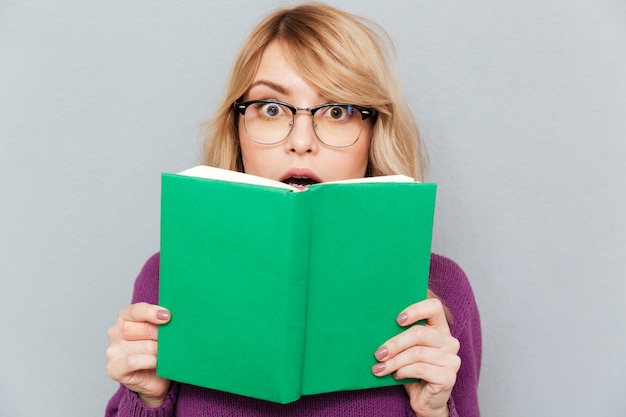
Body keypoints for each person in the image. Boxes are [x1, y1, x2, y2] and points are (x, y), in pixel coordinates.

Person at [105, 3, 481, 417]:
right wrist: (147, 398)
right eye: (271, 108)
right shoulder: (164, 281)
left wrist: (433, 411)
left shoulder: (443, 293)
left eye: (338, 111)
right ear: (237, 128)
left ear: (375, 133)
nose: (302, 141)